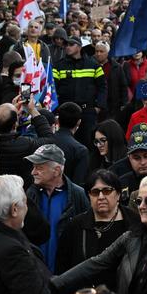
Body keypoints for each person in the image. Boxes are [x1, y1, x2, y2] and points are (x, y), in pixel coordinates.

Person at [57, 169, 138, 278]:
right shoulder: (75, 226)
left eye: (107, 191)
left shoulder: (135, 222)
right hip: (88, 291)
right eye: (95, 192)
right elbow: (62, 267)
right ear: (89, 196)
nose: (100, 197)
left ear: (118, 194)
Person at [25, 144, 91, 272]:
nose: (33, 172)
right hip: (37, 271)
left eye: (39, 167)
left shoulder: (77, 195)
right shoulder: (31, 194)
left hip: (66, 273)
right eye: (33, 167)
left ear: (56, 170)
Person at [51, 35, 106, 146]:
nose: (67, 47)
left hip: (87, 113)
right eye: (66, 45)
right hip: (65, 113)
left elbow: (102, 87)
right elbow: (53, 89)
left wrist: (98, 107)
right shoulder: (58, 66)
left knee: (88, 144)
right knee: (64, 145)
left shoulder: (93, 65)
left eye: (71, 44)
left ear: (80, 47)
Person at [52, 102, 91, 184]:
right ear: (79, 122)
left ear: (58, 120)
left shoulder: (45, 140)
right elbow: (79, 183)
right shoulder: (80, 150)